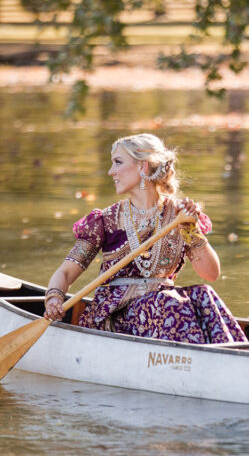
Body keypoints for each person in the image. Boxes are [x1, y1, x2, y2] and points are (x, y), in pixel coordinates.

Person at [44, 133, 247, 344]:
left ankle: (233, 356)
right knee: (169, 304)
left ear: (142, 166)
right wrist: (54, 299)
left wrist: (190, 229)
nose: (111, 171)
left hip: (165, 309)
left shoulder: (179, 216)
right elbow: (66, 273)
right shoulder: (106, 221)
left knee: (203, 295)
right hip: (117, 314)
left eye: (118, 162)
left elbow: (211, 274)